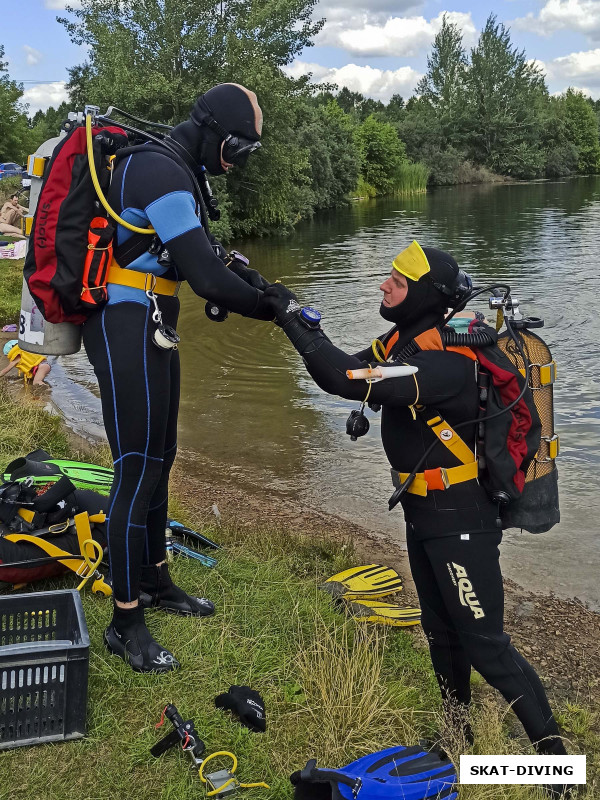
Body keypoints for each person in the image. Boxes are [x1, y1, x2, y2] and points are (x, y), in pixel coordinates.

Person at [263, 242, 571, 797]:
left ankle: (558, 770)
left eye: (397, 282)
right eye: (387, 277)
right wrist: (286, 310)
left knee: (486, 645)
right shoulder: (402, 344)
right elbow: (345, 364)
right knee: (441, 634)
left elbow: (343, 379)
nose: (384, 286)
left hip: (461, 517)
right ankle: (456, 739)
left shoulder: (447, 364)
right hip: (423, 511)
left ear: (425, 295)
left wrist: (290, 314)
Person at [83, 83, 273, 673]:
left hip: (153, 319)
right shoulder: (159, 172)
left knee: (161, 456)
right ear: (213, 128)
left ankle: (158, 582)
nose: (241, 160)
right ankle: (125, 620)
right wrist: (276, 308)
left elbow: (198, 264)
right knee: (135, 467)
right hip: (124, 322)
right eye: (240, 147)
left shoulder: (177, 169)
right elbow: (210, 280)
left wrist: (257, 286)